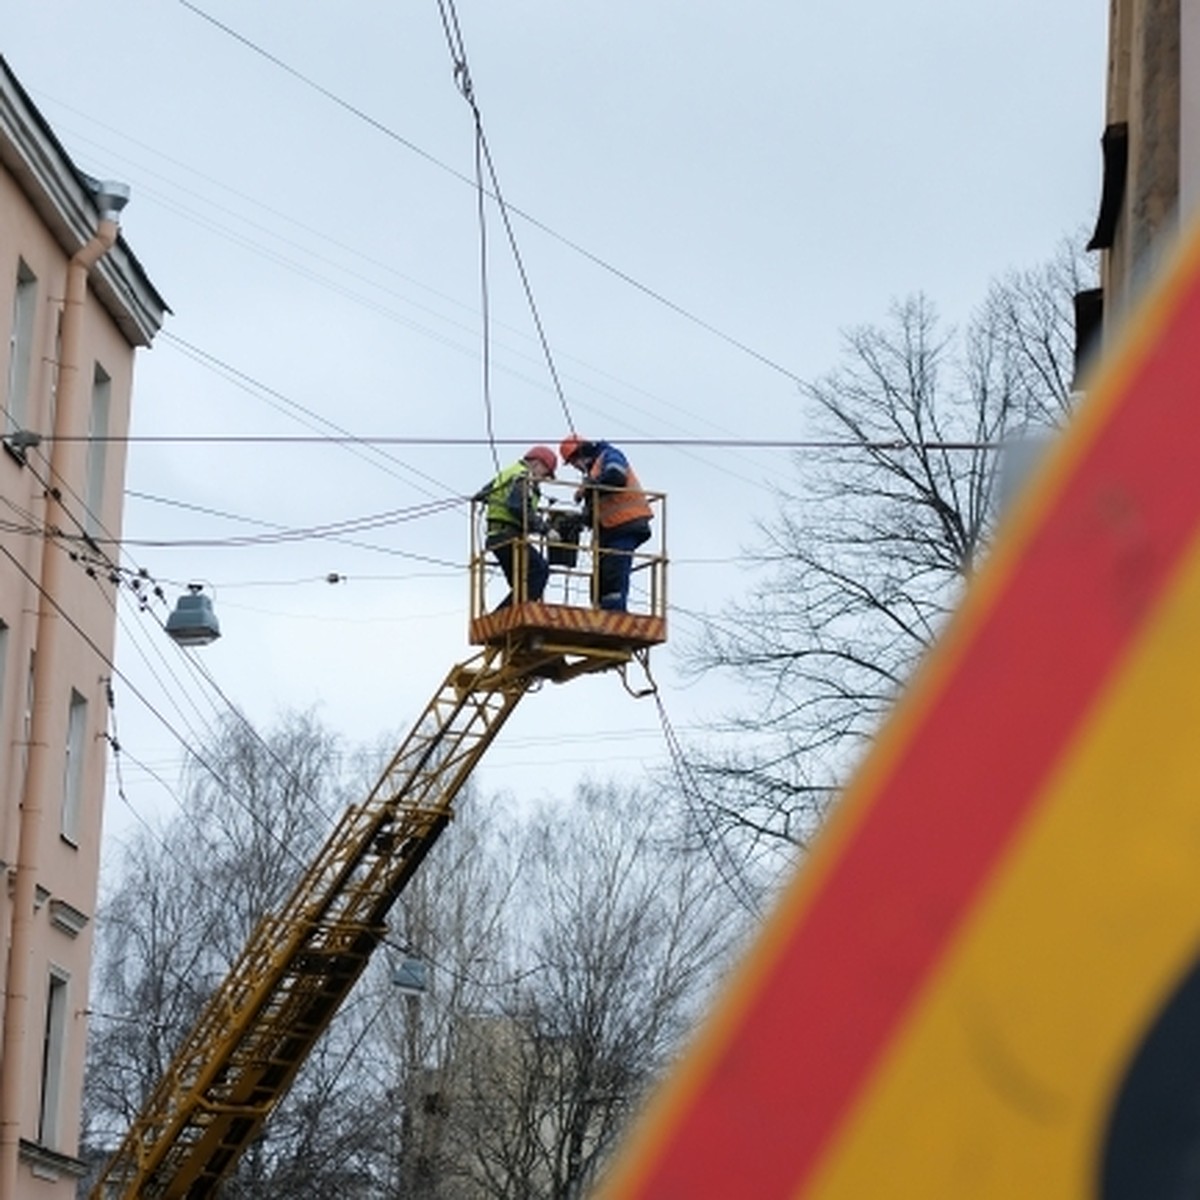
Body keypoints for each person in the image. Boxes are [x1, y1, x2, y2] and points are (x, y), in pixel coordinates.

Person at [559, 435, 652, 611]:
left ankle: (615, 613)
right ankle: (602, 610)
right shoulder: (593, 472)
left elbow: (616, 476)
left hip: (626, 523)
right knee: (600, 578)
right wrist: (577, 520)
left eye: (574, 462)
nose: (576, 467)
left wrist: (588, 487)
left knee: (614, 571)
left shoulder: (609, 455)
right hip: (610, 529)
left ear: (582, 452)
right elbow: (593, 511)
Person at [475, 445, 557, 609]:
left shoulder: (509, 473)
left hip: (497, 536)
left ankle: (504, 617)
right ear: (536, 464)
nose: (544, 479)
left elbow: (483, 493)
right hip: (509, 536)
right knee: (539, 572)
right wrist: (545, 529)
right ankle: (502, 616)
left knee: (523, 585)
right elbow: (517, 506)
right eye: (545, 473)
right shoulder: (522, 476)